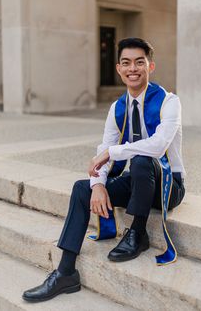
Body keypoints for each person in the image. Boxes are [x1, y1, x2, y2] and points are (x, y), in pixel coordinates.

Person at [22, 37, 185, 303]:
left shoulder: (169, 101)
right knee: (81, 188)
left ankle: (138, 232)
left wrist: (113, 152)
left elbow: (156, 147)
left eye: (139, 62)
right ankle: (65, 273)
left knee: (142, 159)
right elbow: (104, 148)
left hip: (169, 187)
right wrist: (97, 184)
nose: (133, 68)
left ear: (150, 66)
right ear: (119, 69)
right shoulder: (117, 108)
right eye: (126, 63)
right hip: (138, 182)